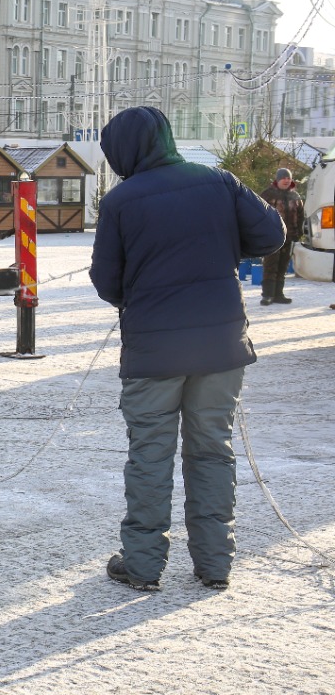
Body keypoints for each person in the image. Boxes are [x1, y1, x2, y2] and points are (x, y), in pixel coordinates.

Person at [90, 106, 284, 592]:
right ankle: (215, 564)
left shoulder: (121, 201)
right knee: (212, 451)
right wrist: (220, 247)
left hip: (154, 351)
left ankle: (142, 565)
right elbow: (271, 234)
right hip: (220, 346)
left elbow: (106, 280)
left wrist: (139, 298)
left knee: (150, 455)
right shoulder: (218, 182)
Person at [258, 167, 304, 305]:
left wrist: (299, 233)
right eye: (283, 178)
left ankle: (279, 294)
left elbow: (301, 216)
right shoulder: (267, 195)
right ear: (277, 179)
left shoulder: (295, 196)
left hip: (289, 237)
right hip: (272, 236)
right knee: (270, 264)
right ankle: (267, 295)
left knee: (283, 265)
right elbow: (258, 214)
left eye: (288, 178)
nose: (286, 180)